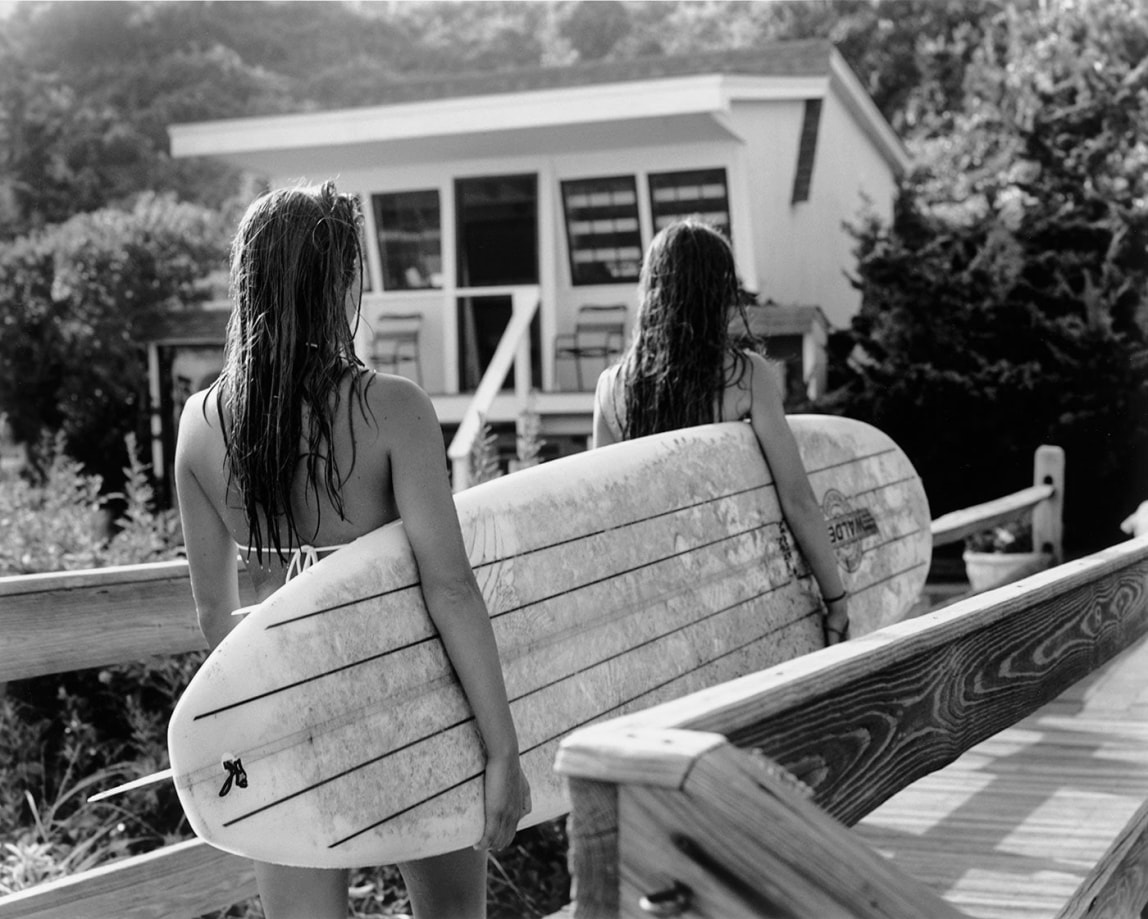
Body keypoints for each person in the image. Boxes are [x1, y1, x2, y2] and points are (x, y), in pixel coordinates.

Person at [175, 181, 530, 919]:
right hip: (412, 701)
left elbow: (216, 620)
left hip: (283, 717)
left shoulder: (200, 425)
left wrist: (307, 651)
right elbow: (451, 589)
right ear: (338, 278)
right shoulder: (391, 407)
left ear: (251, 282)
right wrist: (502, 751)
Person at [592, 217, 850, 644]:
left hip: (651, 608)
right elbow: (798, 500)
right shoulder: (745, 376)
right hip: (734, 598)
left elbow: (603, 513)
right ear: (718, 293)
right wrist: (835, 599)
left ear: (652, 291)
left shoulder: (611, 389)